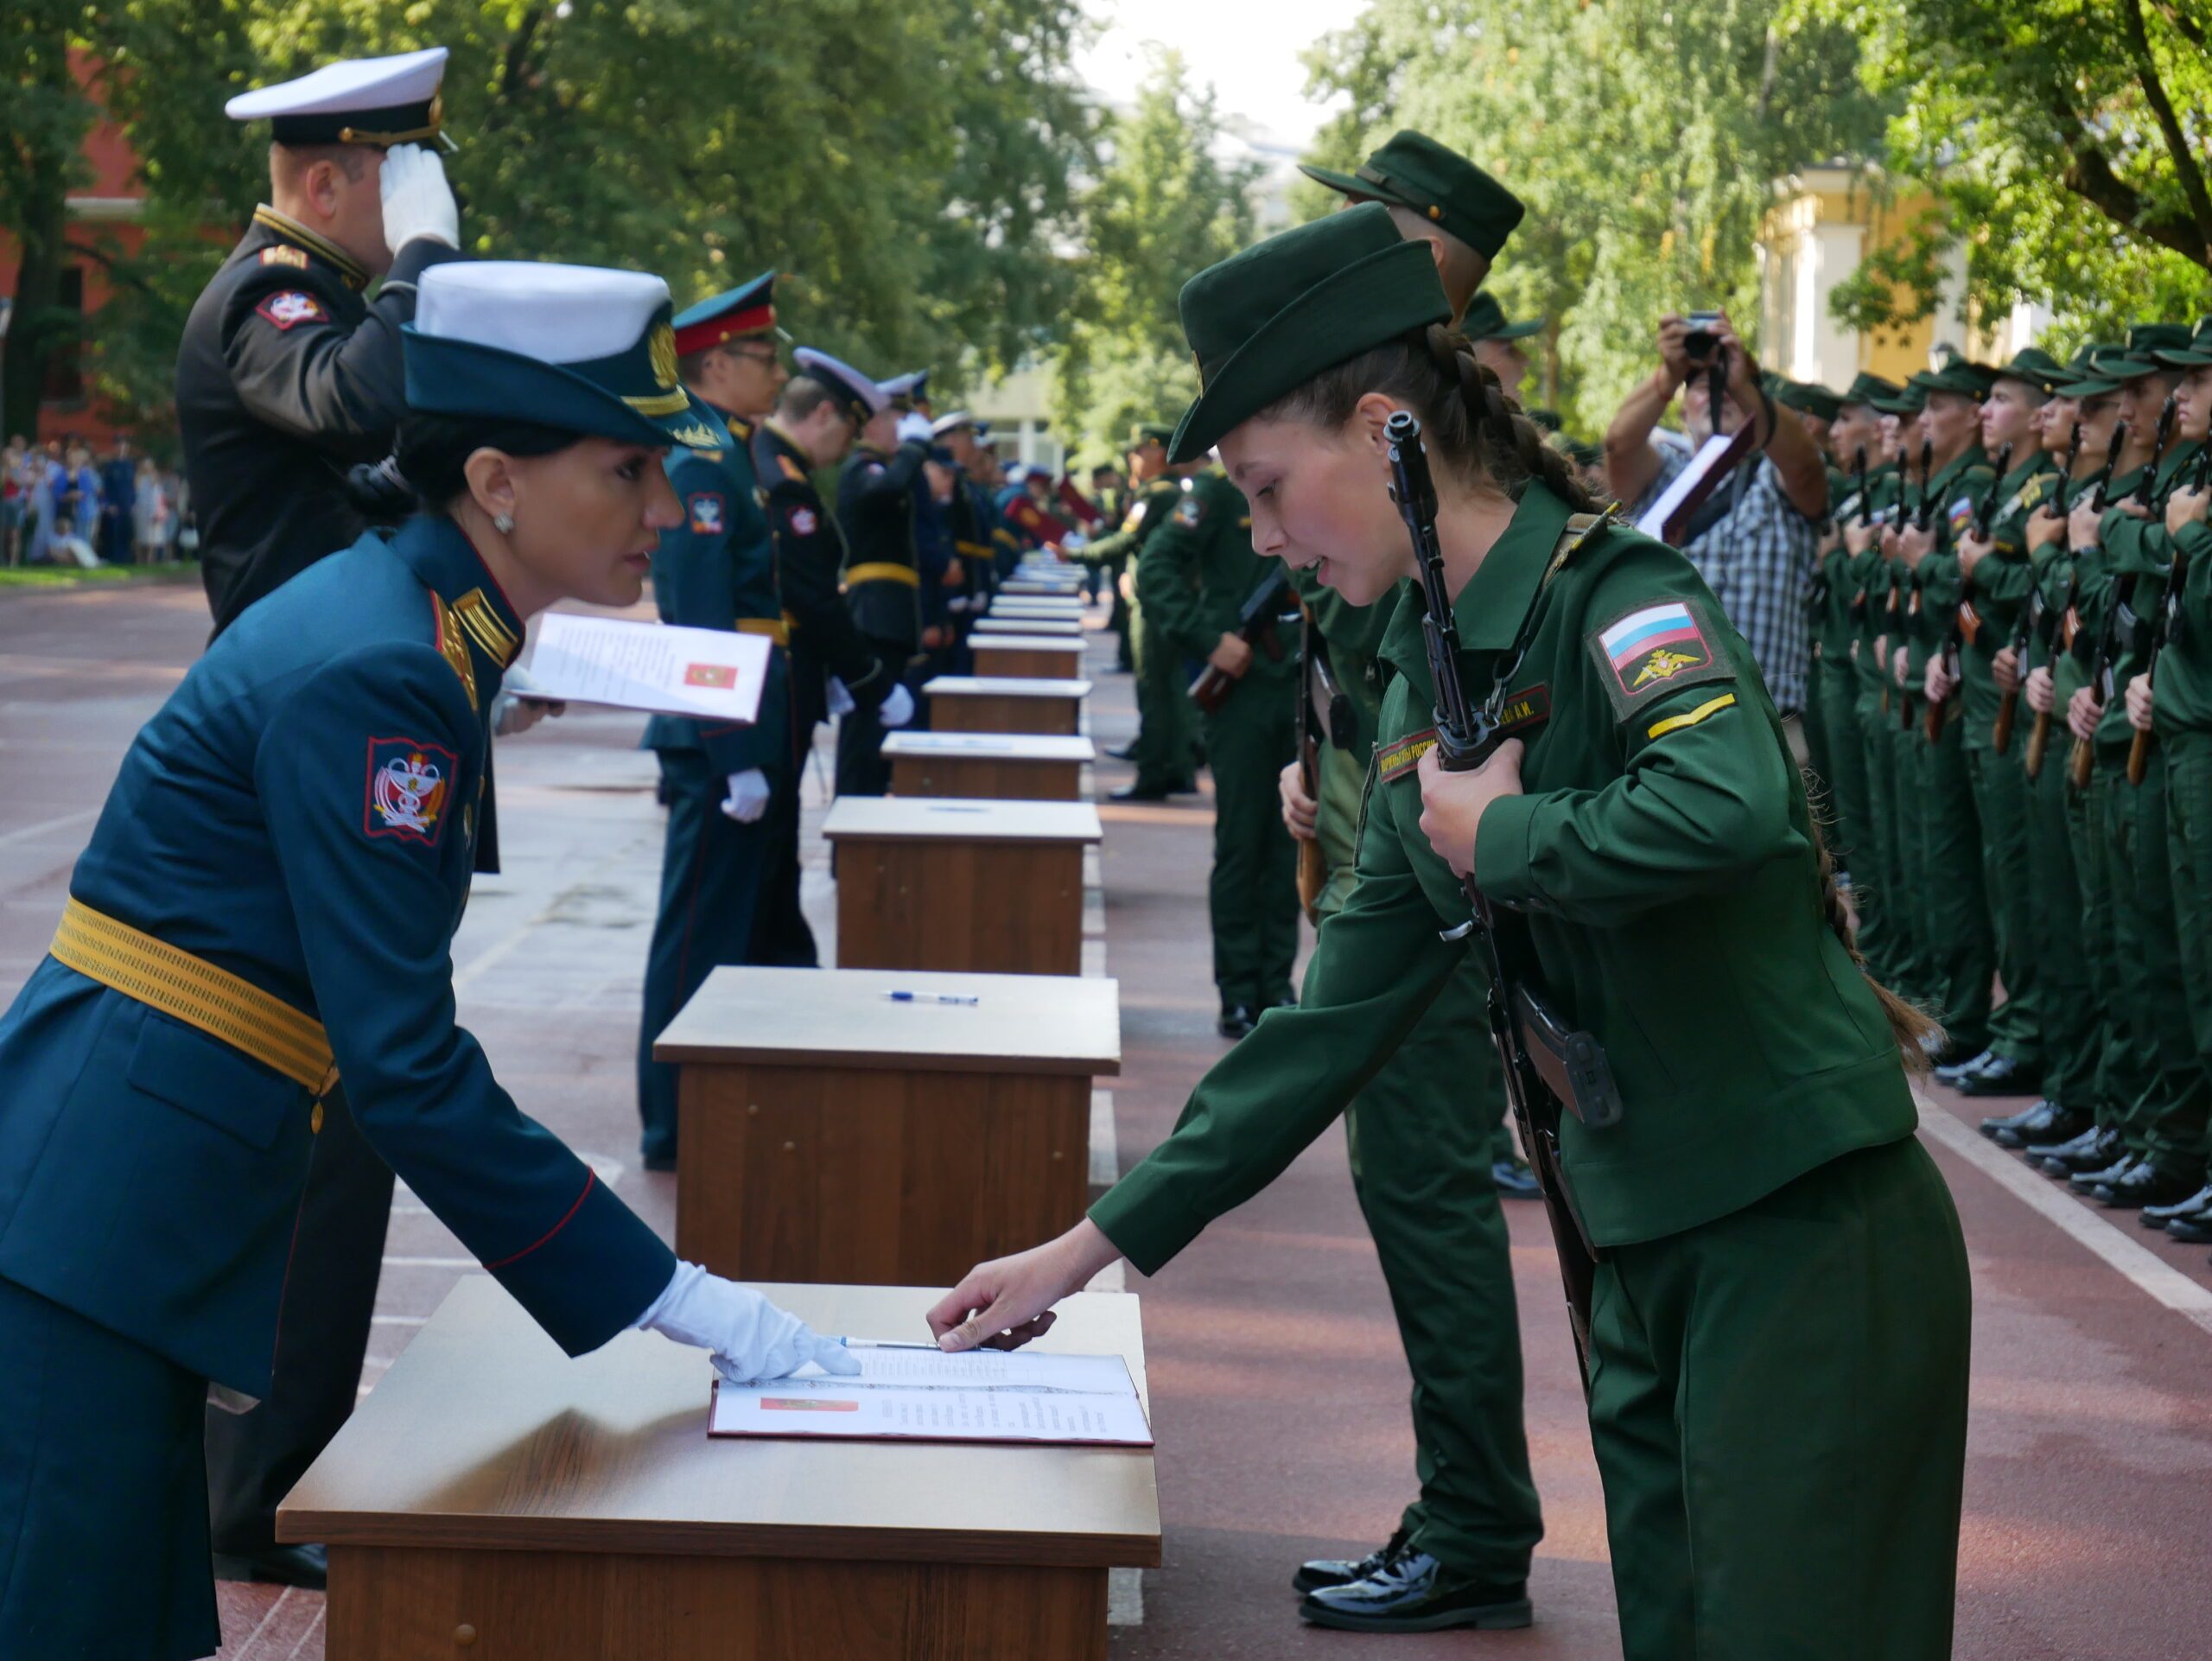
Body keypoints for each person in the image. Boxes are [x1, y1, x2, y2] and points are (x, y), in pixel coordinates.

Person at [927, 205, 1969, 1658]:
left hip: (1793, 1229)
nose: (1266, 533)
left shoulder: (1619, 601)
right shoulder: (1441, 684)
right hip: (1645, 1237)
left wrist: (1504, 833)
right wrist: (1086, 1248)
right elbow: (1330, 1022)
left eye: (1274, 484)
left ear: (1387, 435)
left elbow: (1731, 808)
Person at [0, 259, 858, 1661]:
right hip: (98, 1214)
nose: (662, 505)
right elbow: (408, 1068)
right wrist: (683, 1302)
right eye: (627, 467)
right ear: (498, 479)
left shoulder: (422, 634)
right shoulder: (386, 668)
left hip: (128, 1200)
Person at [1272, 135, 1547, 1630]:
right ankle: (1468, 1506)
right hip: (1388, 821)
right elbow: (1369, 631)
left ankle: (1477, 1521)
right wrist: (1321, 747)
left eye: (1368, 221)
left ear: (1432, 240)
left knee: (1427, 1184)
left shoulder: (1463, 421)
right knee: (1408, 1181)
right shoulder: (1388, 392)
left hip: (1446, 856)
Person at [178, 47, 465, 635]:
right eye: (402, 177)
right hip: (291, 670)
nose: (418, 200)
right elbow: (353, 406)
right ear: (325, 187)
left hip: (337, 649)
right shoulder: (264, 290)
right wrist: (424, 249)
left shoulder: (333, 295)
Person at [635, 273, 793, 1171]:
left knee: (732, 932)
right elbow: (698, 619)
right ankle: (672, 1123)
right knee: (698, 937)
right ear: (719, 361)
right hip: (714, 731)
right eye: (765, 356)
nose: (777, 371)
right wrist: (731, 748)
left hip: (744, 714)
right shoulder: (699, 457)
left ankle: (708, 1104)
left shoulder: (728, 450)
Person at [2056, 324, 2204, 1209]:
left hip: (2176, 733)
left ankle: (2174, 1135)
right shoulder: (2165, 489)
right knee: (2125, 943)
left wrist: (2125, 536)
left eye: (2128, 394)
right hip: (2127, 722)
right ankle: (2142, 1120)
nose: (2170, 398)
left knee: (2174, 953)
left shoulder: (2173, 495)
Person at [1925, 351, 2065, 1099]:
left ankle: (2027, 1034)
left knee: (2020, 880)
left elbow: (2033, 588)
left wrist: (1976, 571)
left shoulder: (2039, 491)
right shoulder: (2007, 489)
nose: (1988, 411)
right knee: (1992, 874)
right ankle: (2014, 1032)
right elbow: (1962, 581)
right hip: (1981, 691)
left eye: (2001, 400)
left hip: (2011, 702)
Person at [749, 352, 914, 964]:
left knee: (776, 844)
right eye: (847, 427)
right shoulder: (780, 477)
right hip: (774, 680)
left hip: (792, 676)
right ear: (823, 414)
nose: (848, 445)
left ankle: (784, 956)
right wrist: (868, 680)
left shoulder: (775, 465)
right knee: (768, 849)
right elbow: (813, 598)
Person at [1135, 442, 1301, 1036]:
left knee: (1291, 844)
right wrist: (1208, 638)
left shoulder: (1307, 476)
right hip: (1241, 692)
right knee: (1241, 845)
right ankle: (1237, 989)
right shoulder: (1213, 492)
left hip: (1304, 688)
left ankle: (1276, 987)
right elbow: (1154, 571)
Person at [1606, 309, 1828, 744]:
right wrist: (1668, 376)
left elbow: (1803, 465)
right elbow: (1617, 444)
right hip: (1673, 723)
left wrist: (1743, 382)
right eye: (1706, 387)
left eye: (1734, 390)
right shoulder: (1664, 475)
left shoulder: (1777, 479)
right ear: (1683, 408)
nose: (1722, 395)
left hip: (1770, 726)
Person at [2132, 315, 2212, 1244]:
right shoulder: (2187, 489)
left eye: (2196, 377)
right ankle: (2167, 1131)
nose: (2178, 394)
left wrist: (2182, 543)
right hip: (2175, 732)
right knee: (2176, 954)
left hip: (2198, 743)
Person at [1084, 423, 1200, 799]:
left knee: (1153, 689)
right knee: (1172, 688)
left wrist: (1075, 554)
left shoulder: (1157, 494)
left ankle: (1151, 775)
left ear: (1158, 453)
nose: (1133, 459)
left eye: (1140, 451)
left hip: (1151, 602)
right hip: (1169, 598)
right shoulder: (1168, 494)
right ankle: (1180, 769)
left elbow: (1126, 539)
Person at [834, 380, 938, 797]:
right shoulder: (863, 469)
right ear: (873, 422)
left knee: (878, 737)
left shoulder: (881, 468)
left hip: (889, 613)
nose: (905, 428)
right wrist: (914, 450)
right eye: (899, 418)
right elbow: (890, 487)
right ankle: (853, 825)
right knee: (864, 736)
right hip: (873, 613)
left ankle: (867, 815)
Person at [100, 435, 137, 564]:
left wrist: (133, 503)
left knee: (126, 532)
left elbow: (133, 486)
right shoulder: (110, 466)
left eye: (124, 445)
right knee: (113, 533)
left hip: (127, 504)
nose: (122, 447)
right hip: (114, 504)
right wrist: (108, 504)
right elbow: (106, 486)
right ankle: (113, 558)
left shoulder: (130, 465)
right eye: (119, 445)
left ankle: (126, 559)